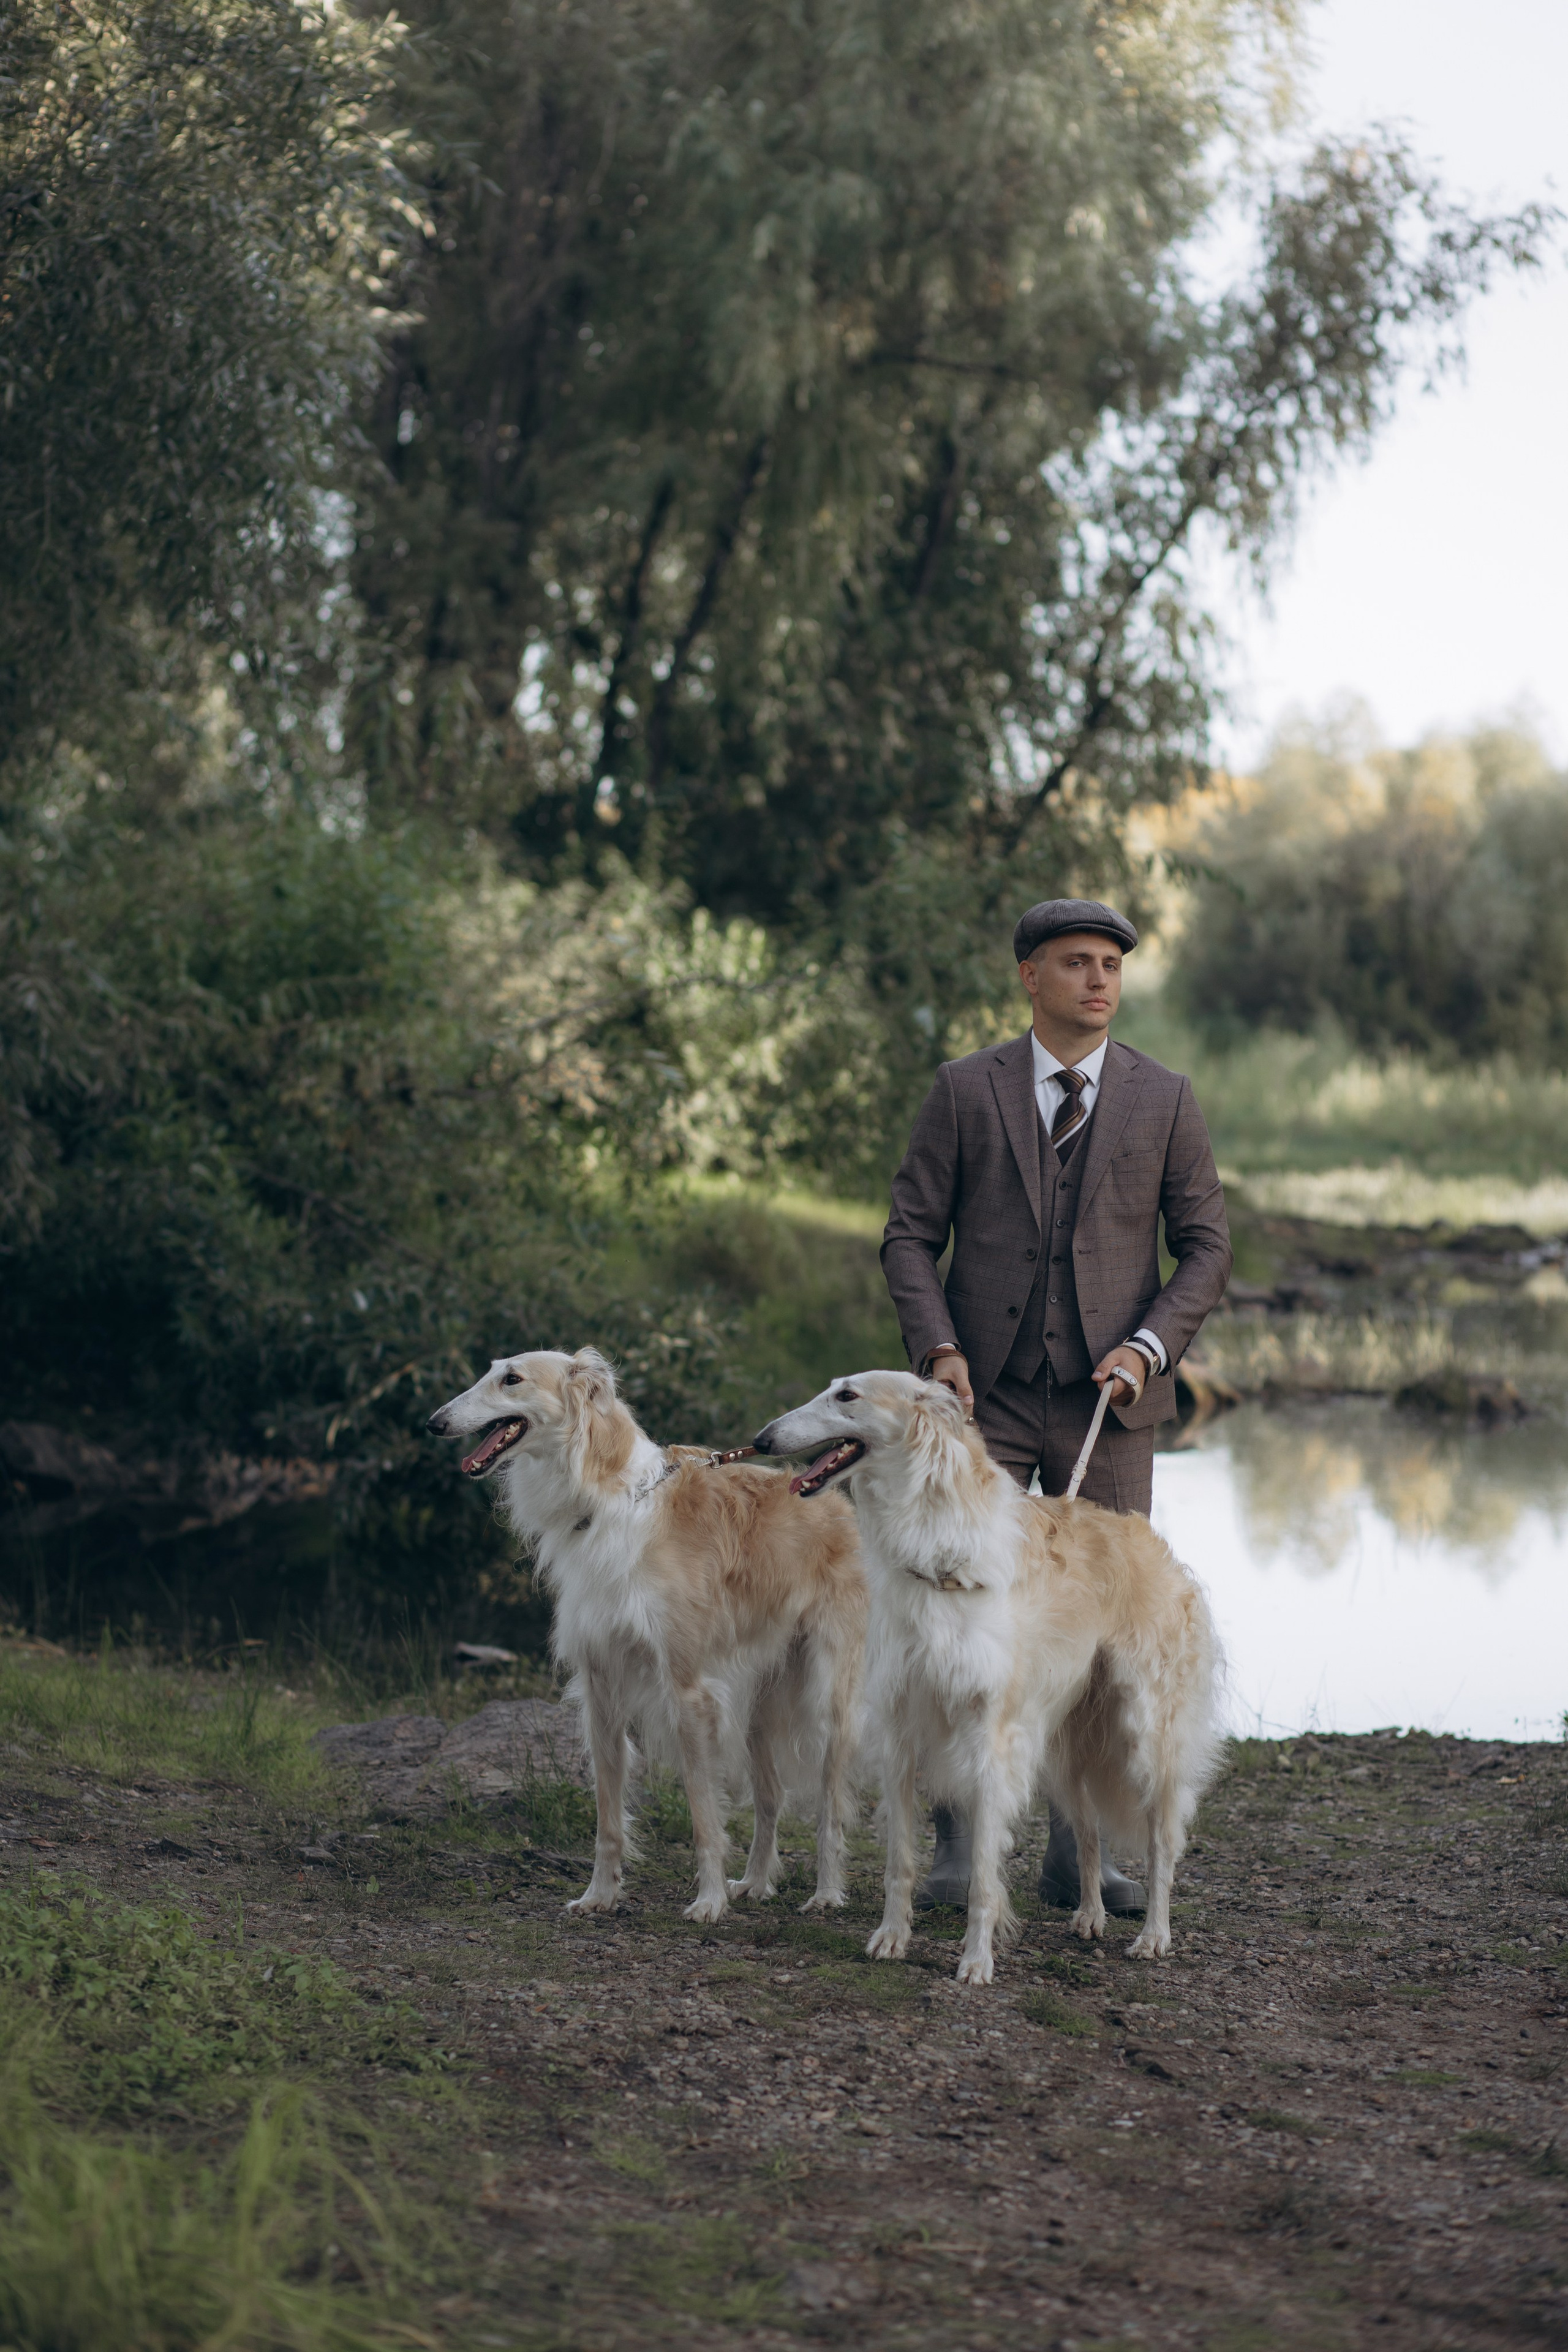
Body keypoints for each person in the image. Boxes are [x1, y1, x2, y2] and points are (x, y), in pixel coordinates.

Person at [880, 895, 1232, 1913]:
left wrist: (1152, 1345)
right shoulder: (963, 1090)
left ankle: (1084, 1853)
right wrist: (937, 1349)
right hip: (975, 1403)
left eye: (1112, 965)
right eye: (1076, 962)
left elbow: (1206, 1247)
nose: (1099, 980)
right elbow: (909, 1236)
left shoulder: (1164, 1099)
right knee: (961, 1616)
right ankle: (958, 1841)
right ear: (1030, 977)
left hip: (1109, 1410)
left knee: (1100, 1627)